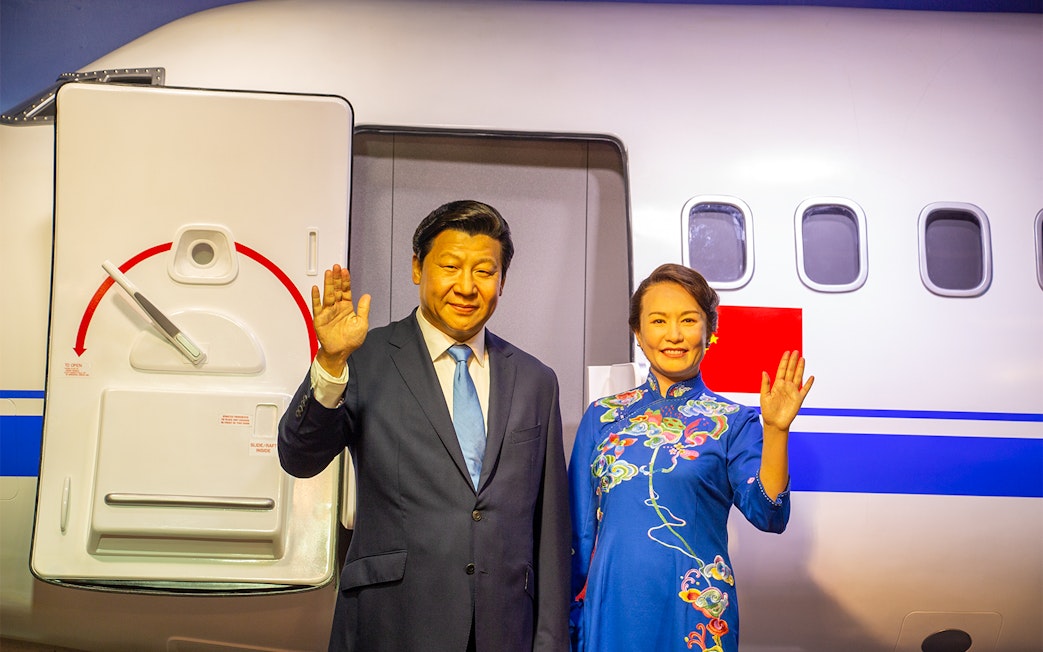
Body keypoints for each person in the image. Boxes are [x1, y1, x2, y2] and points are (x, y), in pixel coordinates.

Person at [278, 200, 570, 652]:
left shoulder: (536, 380)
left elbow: (550, 531)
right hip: (391, 623)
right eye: (450, 267)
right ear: (418, 268)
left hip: (504, 627)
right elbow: (299, 457)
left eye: (484, 271)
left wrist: (551, 641)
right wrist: (331, 363)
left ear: (502, 281)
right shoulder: (366, 358)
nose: (466, 287)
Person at [568, 263, 814, 652]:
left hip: (696, 611)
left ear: (709, 330)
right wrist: (565, 618)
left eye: (688, 320)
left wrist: (776, 431)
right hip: (612, 609)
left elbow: (769, 514)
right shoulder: (602, 417)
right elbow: (578, 537)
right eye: (658, 320)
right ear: (638, 333)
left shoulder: (733, 422)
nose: (674, 334)